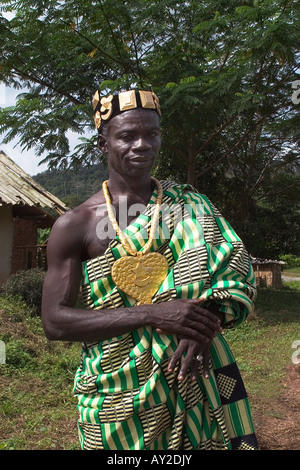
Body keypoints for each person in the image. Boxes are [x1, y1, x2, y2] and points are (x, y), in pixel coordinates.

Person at [41, 88, 258, 450]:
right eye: (127, 135)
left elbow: (237, 273)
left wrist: (204, 321)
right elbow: (55, 322)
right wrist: (155, 314)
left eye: (152, 134)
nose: (142, 145)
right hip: (116, 394)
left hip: (193, 375)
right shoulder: (75, 224)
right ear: (102, 143)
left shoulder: (190, 205)